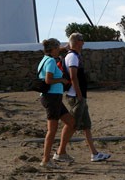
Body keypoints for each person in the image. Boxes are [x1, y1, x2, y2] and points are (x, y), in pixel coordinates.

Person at [63, 33, 111, 162]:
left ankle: (94, 153)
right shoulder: (72, 57)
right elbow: (73, 77)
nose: (83, 43)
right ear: (77, 42)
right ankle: (60, 151)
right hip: (76, 96)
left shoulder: (72, 55)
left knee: (86, 126)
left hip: (78, 96)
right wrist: (79, 95)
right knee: (71, 125)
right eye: (82, 40)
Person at [38, 38, 75, 169]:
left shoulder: (45, 59)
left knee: (71, 122)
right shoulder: (51, 61)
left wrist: (67, 46)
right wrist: (62, 80)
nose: (59, 49)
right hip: (51, 98)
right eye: (58, 47)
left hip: (54, 98)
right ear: (53, 49)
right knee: (52, 130)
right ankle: (46, 160)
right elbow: (48, 80)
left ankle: (61, 153)